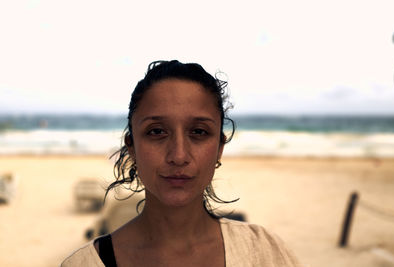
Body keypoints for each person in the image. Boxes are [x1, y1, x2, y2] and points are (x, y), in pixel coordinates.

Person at [61, 60, 301, 267]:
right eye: (157, 132)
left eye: (198, 131)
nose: (178, 155)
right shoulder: (85, 263)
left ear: (219, 148)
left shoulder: (265, 253)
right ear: (132, 146)